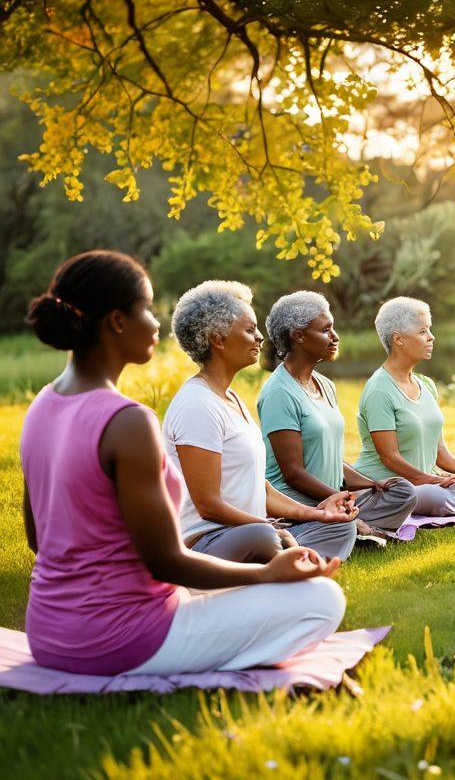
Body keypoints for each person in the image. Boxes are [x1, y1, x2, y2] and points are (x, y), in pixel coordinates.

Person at [20, 251, 343, 676]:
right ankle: (228, 672)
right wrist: (268, 575)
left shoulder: (42, 405)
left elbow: (37, 538)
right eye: (148, 309)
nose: (157, 324)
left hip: (48, 634)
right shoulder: (127, 421)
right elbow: (166, 562)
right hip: (121, 638)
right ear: (118, 321)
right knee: (324, 600)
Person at [163, 281, 360, 563]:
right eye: (249, 329)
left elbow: (262, 489)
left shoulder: (232, 399)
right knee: (266, 538)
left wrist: (320, 513)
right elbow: (208, 505)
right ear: (218, 340)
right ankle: (285, 553)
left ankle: (288, 553)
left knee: (339, 526)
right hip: (209, 539)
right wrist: (267, 527)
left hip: (249, 531)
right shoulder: (197, 405)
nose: (259, 338)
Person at [258, 291, 416, 538]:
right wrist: (335, 499)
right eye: (326, 330)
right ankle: (343, 527)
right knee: (342, 527)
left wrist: (370, 483)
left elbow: (331, 461)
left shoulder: (325, 385)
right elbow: (293, 473)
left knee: (403, 492)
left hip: (334, 497)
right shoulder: (279, 393)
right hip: (300, 507)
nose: (335, 337)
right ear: (298, 336)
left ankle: (354, 525)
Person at [351, 297, 455, 515]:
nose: (431, 337)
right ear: (398, 339)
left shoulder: (426, 385)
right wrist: (431, 480)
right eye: (422, 331)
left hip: (428, 482)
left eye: (429, 330)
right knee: (435, 496)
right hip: (390, 488)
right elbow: (389, 456)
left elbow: (440, 454)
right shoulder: (379, 390)